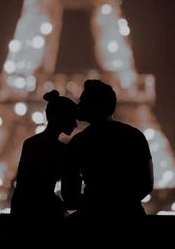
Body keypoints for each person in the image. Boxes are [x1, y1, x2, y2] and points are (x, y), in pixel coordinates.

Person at [61, 79, 154, 233]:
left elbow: (70, 196)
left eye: (83, 101)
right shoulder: (135, 136)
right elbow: (146, 184)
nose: (79, 105)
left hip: (92, 220)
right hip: (131, 218)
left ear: (94, 105)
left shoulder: (78, 143)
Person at [10, 90, 77, 234]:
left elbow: (23, 187)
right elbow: (69, 195)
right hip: (47, 217)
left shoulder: (29, 144)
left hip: (25, 215)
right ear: (60, 118)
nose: (76, 124)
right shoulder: (63, 150)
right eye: (72, 118)